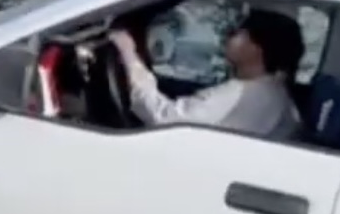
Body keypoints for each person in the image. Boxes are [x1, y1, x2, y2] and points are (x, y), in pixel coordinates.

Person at [107, 8, 304, 139]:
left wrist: (130, 56)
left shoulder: (241, 95)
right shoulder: (273, 92)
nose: (228, 34)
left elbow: (163, 119)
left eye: (238, 32)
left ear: (255, 49)